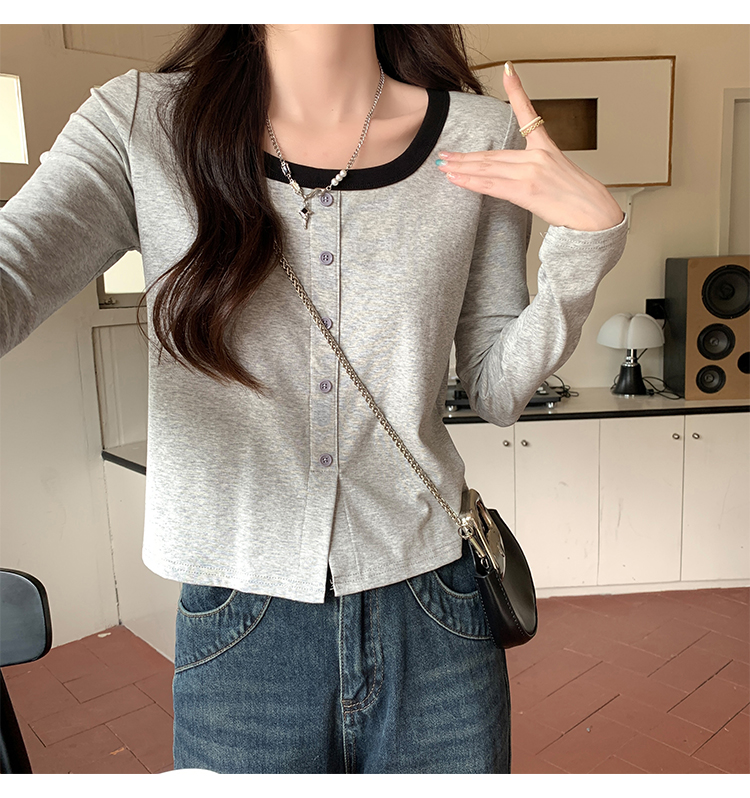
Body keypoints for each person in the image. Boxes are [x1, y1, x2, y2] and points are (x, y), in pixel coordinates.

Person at [0, 25, 627, 774]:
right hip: (241, 616)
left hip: (435, 602)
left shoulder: (479, 134)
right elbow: (15, 270)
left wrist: (584, 247)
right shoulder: (143, 122)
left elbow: (495, 389)